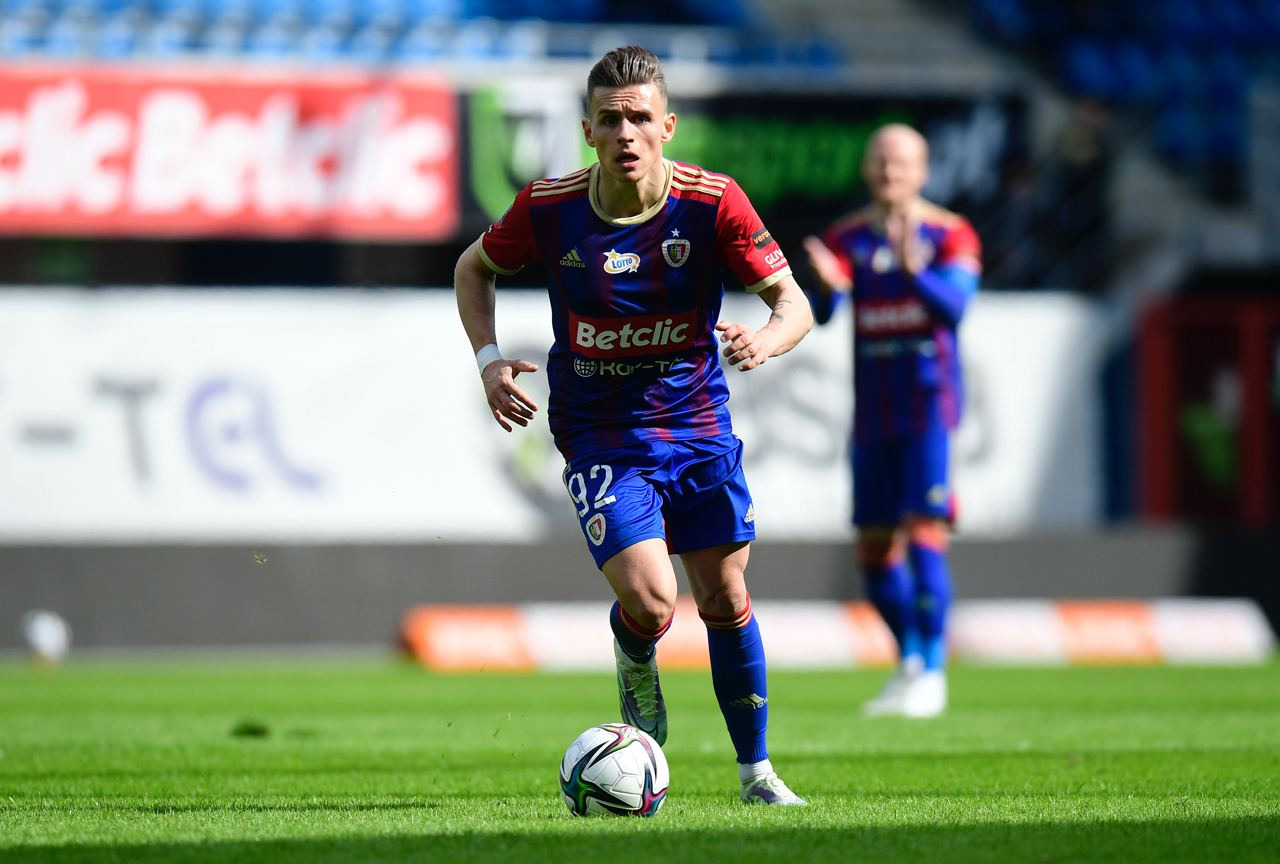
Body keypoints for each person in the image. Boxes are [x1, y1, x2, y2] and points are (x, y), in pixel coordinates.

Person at [454, 45, 812, 805]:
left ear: (667, 126)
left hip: (698, 427)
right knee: (652, 600)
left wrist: (767, 339)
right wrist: (488, 359)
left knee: (724, 596)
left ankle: (756, 773)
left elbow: (794, 303)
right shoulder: (549, 207)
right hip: (601, 433)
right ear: (587, 130)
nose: (626, 134)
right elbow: (472, 267)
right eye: (610, 120)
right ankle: (636, 651)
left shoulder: (713, 203)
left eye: (640, 119)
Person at [803, 123, 981, 718]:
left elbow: (954, 308)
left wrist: (912, 271)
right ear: (867, 168)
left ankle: (933, 669)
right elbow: (826, 312)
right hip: (873, 410)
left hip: (928, 406)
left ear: (922, 171)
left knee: (925, 534)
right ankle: (908, 662)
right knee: (874, 551)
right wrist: (825, 289)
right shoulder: (848, 236)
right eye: (880, 161)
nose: (889, 172)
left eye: (900, 162)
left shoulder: (950, 233)